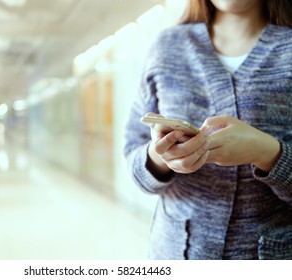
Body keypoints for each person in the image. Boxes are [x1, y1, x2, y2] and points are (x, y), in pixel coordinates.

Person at [124, 0, 292, 260]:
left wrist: (266, 152)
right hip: (176, 254)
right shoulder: (167, 47)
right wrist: (160, 157)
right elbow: (134, 159)